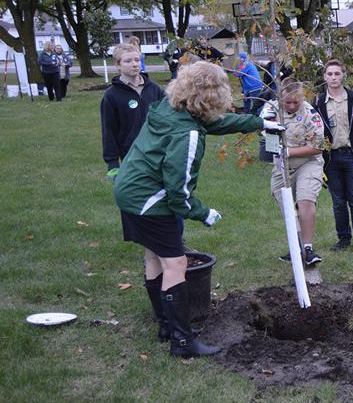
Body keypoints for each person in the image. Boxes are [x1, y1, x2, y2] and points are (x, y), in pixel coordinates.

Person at [113, 61, 284, 358]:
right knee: (176, 264)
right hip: (149, 200)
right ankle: (182, 342)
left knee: (154, 257)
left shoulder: (171, 108)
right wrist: (204, 213)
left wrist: (258, 123)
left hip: (129, 191)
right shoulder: (187, 134)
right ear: (212, 94)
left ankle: (166, 326)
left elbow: (214, 123)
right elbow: (178, 192)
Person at [313, 59, 353, 259]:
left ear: (343, 75)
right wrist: (319, 164)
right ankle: (344, 238)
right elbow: (314, 134)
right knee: (338, 203)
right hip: (331, 160)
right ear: (324, 77)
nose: (333, 77)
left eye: (337, 74)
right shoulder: (318, 103)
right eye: (329, 74)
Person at [260, 78, 326, 266]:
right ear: (280, 97)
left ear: (301, 98)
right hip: (282, 166)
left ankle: (308, 248)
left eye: (295, 102)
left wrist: (288, 151)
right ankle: (296, 249)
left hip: (308, 162)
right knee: (288, 208)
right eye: (287, 102)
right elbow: (263, 131)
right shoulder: (270, 109)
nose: (291, 105)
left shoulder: (310, 114)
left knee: (305, 200)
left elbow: (319, 147)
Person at [101, 43, 165, 183]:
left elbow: (168, 116)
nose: (134, 64)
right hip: (131, 153)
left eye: (137, 60)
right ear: (118, 65)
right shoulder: (111, 95)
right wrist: (112, 163)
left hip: (158, 151)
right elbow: (109, 130)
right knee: (136, 194)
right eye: (128, 61)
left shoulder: (154, 89)